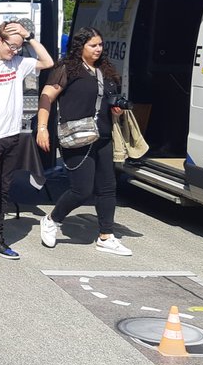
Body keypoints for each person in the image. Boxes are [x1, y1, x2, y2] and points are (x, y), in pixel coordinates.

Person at [36, 26, 132, 256]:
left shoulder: (106, 71)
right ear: (81, 46)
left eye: (100, 44)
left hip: (103, 135)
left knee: (107, 187)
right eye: (93, 45)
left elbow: (108, 101)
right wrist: (42, 128)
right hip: (76, 136)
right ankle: (52, 220)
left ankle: (106, 235)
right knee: (82, 190)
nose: (98, 49)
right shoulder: (67, 68)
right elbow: (46, 97)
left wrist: (116, 110)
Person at [0, 20, 54, 262]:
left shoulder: (18, 63)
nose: (14, 51)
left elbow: (48, 62)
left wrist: (29, 36)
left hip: (12, 135)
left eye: (18, 47)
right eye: (11, 46)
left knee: (4, 191)